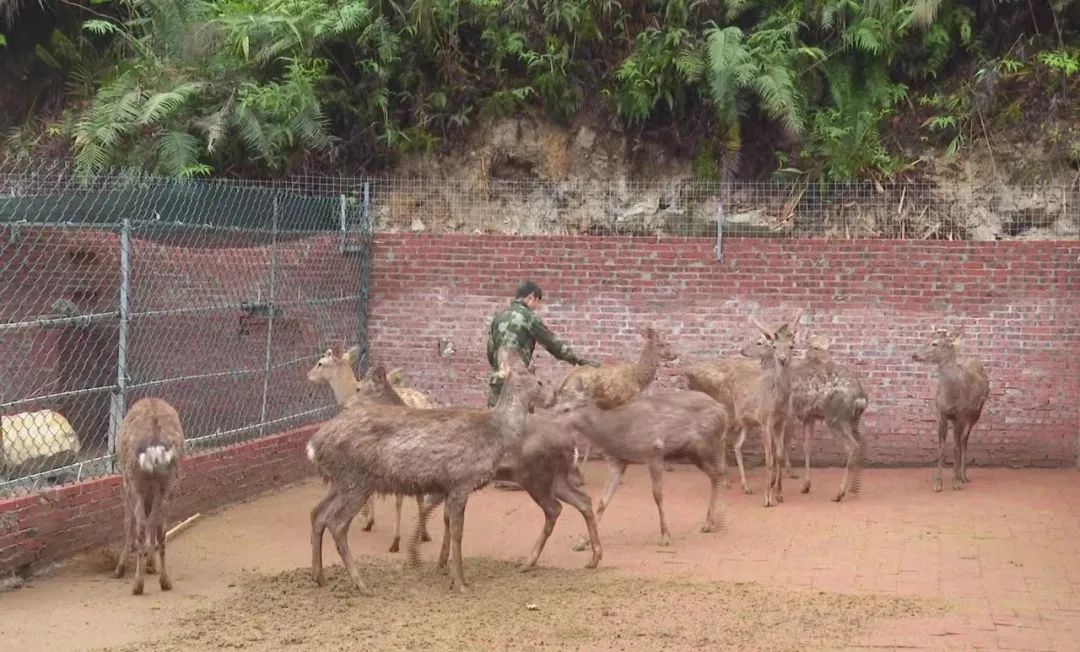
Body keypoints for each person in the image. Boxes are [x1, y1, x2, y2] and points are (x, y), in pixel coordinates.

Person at [486, 280, 599, 490]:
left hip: (498, 379)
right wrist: (580, 361)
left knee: (496, 428)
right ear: (532, 297)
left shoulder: (498, 317)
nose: (537, 306)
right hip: (518, 383)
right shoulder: (528, 318)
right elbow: (553, 344)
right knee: (522, 429)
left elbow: (491, 348)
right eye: (538, 302)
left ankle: (496, 474)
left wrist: (499, 372)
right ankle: (520, 476)